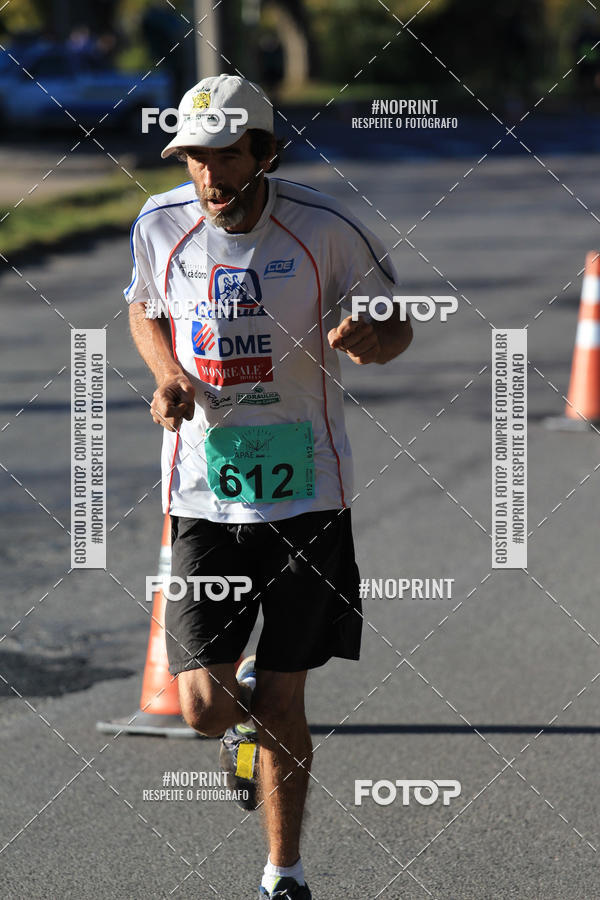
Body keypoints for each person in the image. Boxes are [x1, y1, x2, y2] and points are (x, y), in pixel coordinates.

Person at [125, 73, 412, 900]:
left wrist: (371, 337)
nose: (208, 178)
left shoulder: (324, 229)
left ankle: (281, 876)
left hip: (308, 493)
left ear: (265, 152)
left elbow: (399, 324)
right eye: (191, 159)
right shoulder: (160, 223)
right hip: (203, 495)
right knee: (205, 709)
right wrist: (169, 372)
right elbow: (145, 307)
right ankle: (241, 716)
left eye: (224, 156)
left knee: (287, 696)